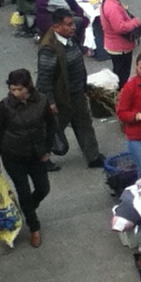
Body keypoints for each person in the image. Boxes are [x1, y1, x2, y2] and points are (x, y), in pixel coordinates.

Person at [36, 9, 104, 168]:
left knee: (84, 123)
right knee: (52, 130)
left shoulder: (70, 38)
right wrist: (50, 103)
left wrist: (84, 86)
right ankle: (42, 159)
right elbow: (44, 80)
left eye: (72, 23)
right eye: (68, 25)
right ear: (56, 27)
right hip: (60, 98)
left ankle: (93, 157)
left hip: (76, 92)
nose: (73, 27)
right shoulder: (48, 49)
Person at [0, 68, 55, 247]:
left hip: (36, 155)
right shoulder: (5, 106)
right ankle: (34, 226)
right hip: (13, 156)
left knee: (43, 188)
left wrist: (46, 150)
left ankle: (27, 208)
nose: (17, 93)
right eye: (13, 89)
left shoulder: (42, 101)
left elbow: (51, 126)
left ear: (29, 86)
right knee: (22, 190)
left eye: (20, 89)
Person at [99, 0, 141, 90]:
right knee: (121, 76)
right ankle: (121, 98)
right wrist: (135, 22)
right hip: (119, 47)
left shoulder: (108, 2)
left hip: (115, 45)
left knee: (119, 73)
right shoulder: (112, 7)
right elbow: (120, 28)